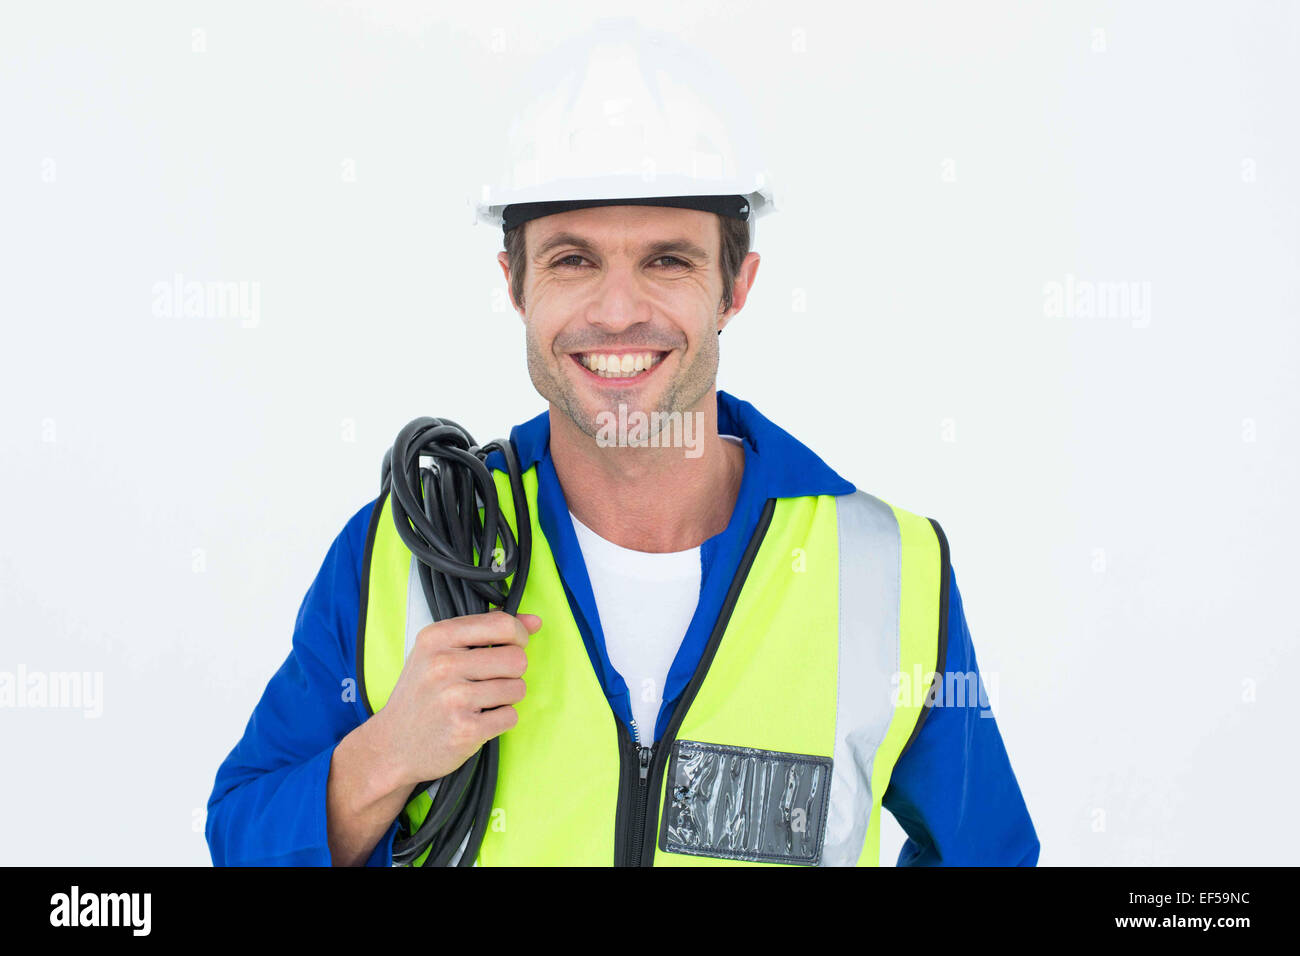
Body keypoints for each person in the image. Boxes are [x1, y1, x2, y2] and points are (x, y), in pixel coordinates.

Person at [206, 18, 1038, 867]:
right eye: (572, 260)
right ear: (515, 284)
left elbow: (988, 854)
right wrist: (389, 754)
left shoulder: (886, 569)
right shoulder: (402, 552)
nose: (615, 311)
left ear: (735, 286)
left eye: (667, 261)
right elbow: (240, 840)